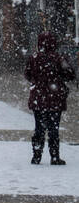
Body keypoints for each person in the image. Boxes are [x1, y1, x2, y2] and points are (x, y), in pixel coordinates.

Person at [25, 32, 74, 165]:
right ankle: (54, 156)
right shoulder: (58, 58)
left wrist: (38, 83)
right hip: (55, 99)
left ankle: (36, 156)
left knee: (39, 128)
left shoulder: (34, 58)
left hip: (38, 98)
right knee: (54, 129)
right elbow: (70, 74)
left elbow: (28, 74)